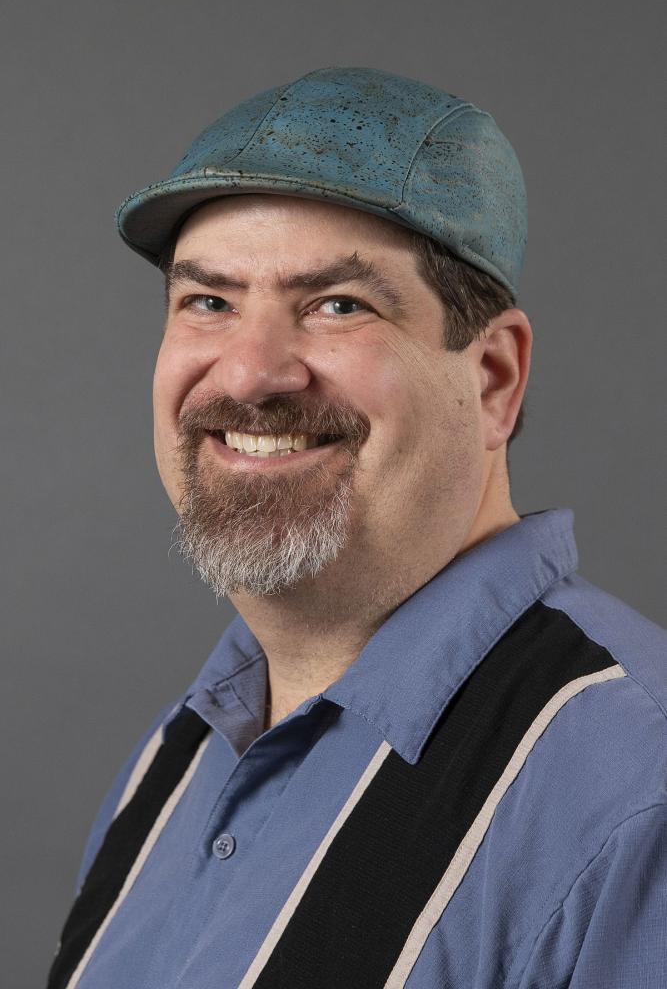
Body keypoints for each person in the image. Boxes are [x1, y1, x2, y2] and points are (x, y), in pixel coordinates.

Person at [48, 67, 666, 989]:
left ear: (492, 377)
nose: (250, 373)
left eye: (338, 305)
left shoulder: (636, 786)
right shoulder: (175, 761)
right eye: (209, 302)